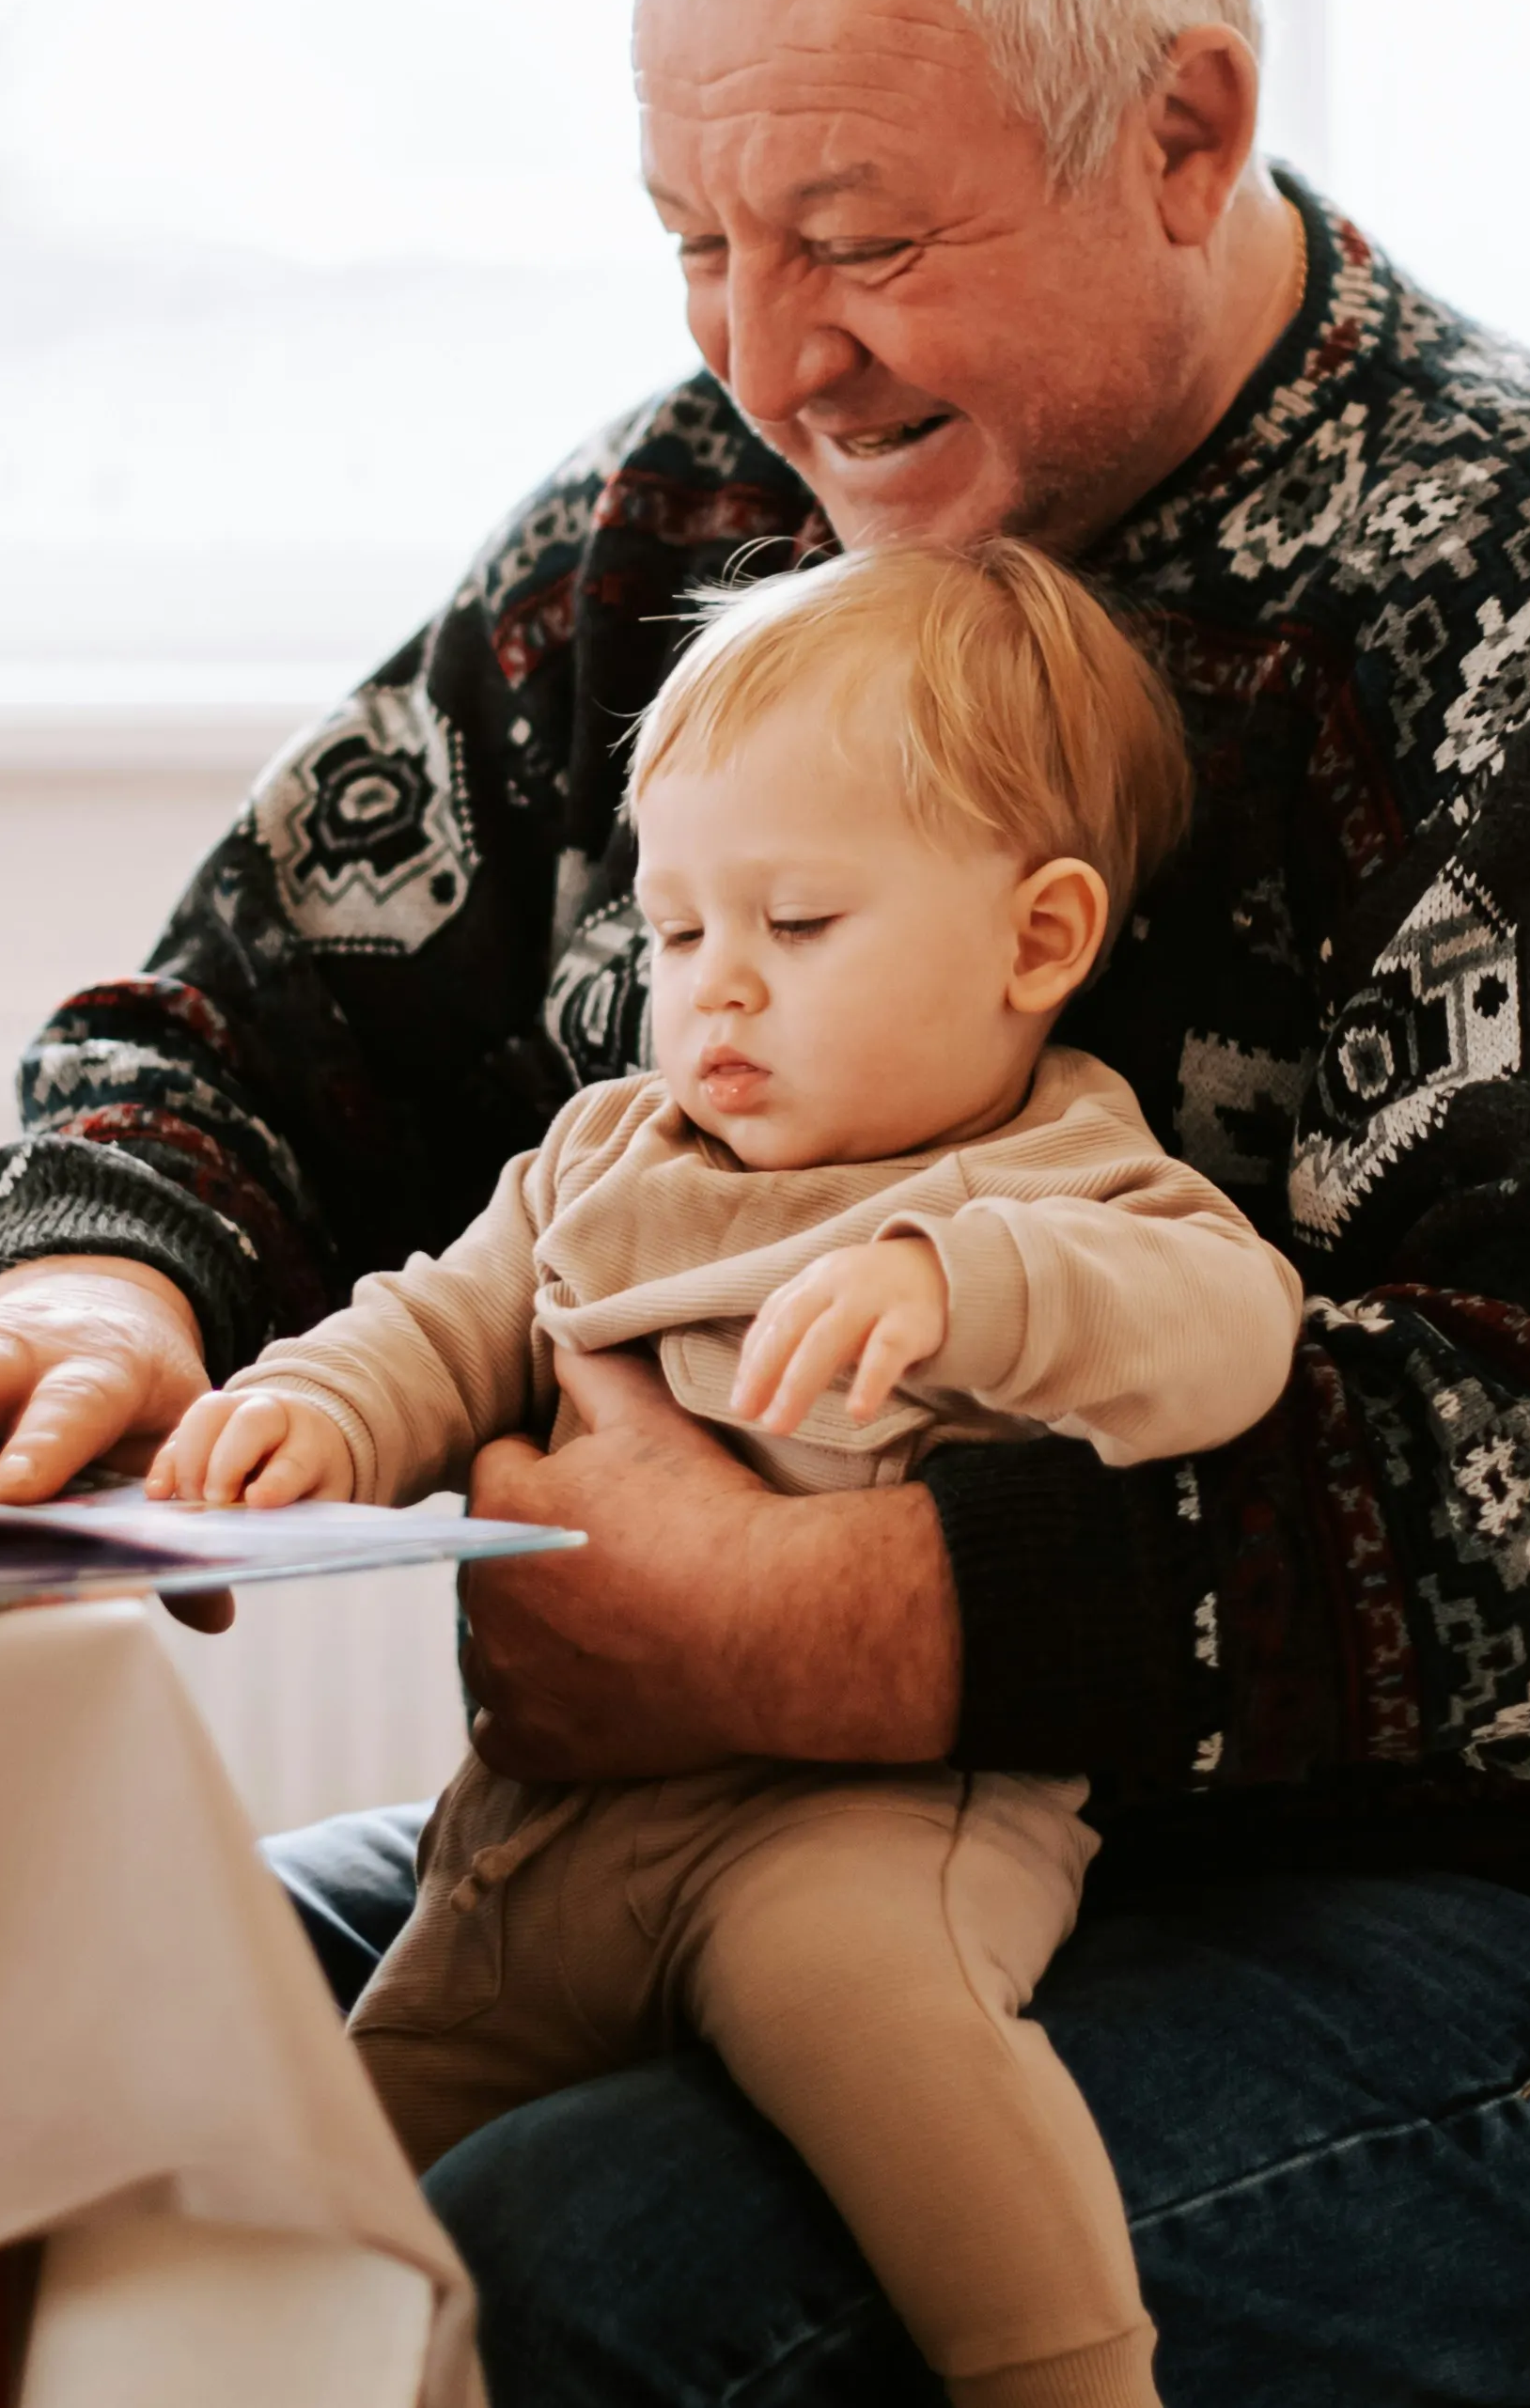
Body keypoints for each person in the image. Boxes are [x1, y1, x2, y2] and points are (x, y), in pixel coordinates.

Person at [0, 0, 1530, 2403]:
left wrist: (841, 1623)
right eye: (692, 244)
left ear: (1184, 132)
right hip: (704, 1841)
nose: (771, 358)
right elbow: (249, 1011)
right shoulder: (700, 525)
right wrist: (100, 1281)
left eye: (856, 239)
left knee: (554, 2271)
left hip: (1500, 1945)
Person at [161, 538, 1304, 2408]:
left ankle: (1071, 2378)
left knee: (879, 2017)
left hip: (866, 1815)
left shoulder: (1057, 1173)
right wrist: (314, 1412)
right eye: (679, 931)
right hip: (547, 1841)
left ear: (1039, 938)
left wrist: (963, 1282)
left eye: (798, 924)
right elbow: (446, 1318)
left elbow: (1228, 1330)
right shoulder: (615, 1145)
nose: (720, 996)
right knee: (341, 2208)